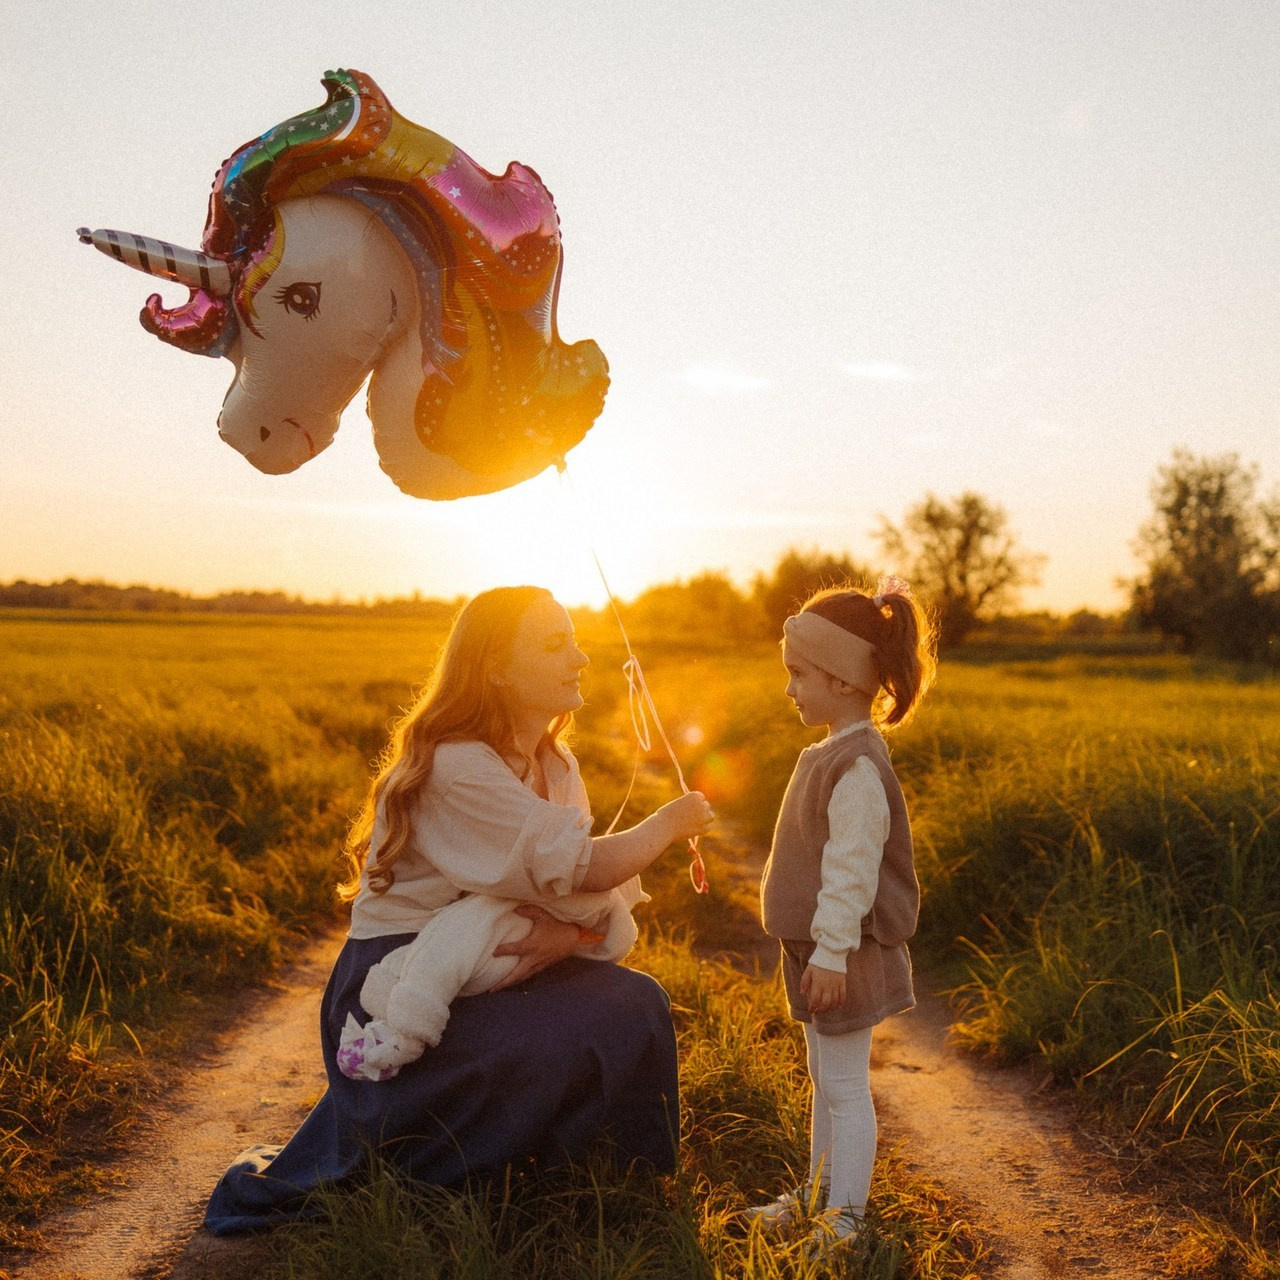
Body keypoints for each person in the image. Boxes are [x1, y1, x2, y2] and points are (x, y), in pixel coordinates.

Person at [204, 585, 713, 1234]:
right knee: (557, 1032)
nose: (580, 658)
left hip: (491, 955)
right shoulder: (457, 766)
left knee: (635, 1002)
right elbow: (585, 869)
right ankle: (433, 1179)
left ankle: (602, 1183)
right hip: (402, 978)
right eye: (554, 645)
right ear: (495, 668)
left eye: (576, 641)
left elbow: (572, 895)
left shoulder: (557, 764)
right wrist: (668, 823)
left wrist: (572, 934)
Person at [747, 577, 936, 1250]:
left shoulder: (856, 768)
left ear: (845, 680)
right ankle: (818, 1194)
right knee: (823, 1079)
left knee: (847, 1087)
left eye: (800, 674)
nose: (790, 688)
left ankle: (847, 1221)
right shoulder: (829, 753)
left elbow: (851, 873)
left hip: (842, 953)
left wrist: (830, 954)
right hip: (816, 950)